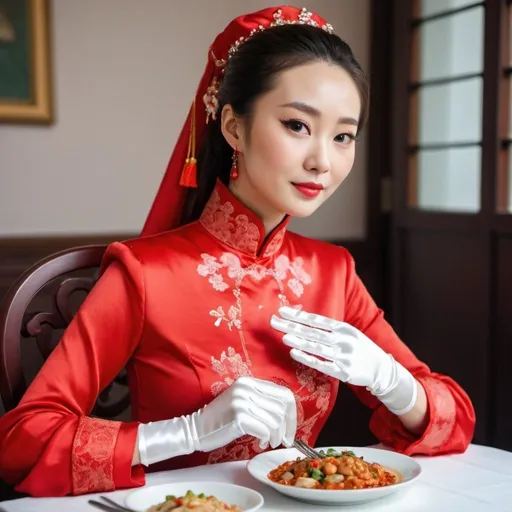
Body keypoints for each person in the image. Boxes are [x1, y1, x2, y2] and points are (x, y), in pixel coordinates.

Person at [0, 5, 475, 498]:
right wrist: (183, 433)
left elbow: (456, 421)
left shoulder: (334, 272)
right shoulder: (144, 273)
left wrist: (391, 381)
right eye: (297, 125)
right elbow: (24, 442)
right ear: (233, 128)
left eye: (343, 137)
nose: (322, 161)